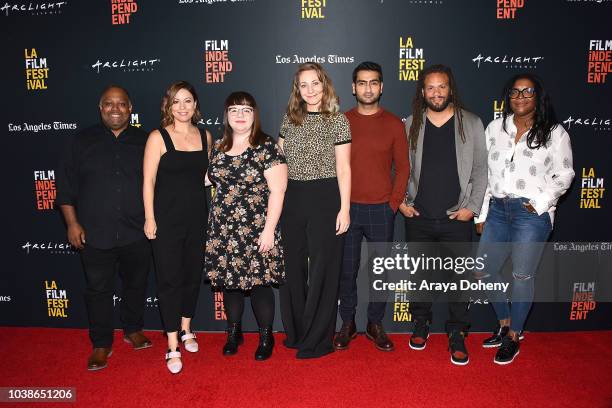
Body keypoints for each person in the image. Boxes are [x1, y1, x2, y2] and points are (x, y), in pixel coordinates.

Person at [474, 73, 574, 365]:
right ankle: (505, 322)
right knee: (484, 270)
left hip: (531, 214)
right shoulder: (495, 128)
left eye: (527, 91)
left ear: (538, 96)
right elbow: (484, 173)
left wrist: (541, 203)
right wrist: (481, 212)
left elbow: (565, 173)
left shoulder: (555, 133)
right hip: (497, 209)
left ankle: (515, 336)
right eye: (515, 92)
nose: (520, 97)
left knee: (521, 276)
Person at [56, 85, 153, 371]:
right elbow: (65, 187)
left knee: (136, 284)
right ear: (100, 108)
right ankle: (101, 343)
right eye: (109, 104)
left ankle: (133, 329)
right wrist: (72, 223)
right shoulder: (81, 141)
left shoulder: (145, 140)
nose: (115, 108)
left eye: (121, 104)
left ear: (130, 108)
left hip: (137, 230)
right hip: (94, 232)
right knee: (98, 289)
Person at [399, 64, 487, 365]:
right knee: (419, 276)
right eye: (430, 87)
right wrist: (400, 202)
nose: (436, 92)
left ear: (451, 89)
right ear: (422, 92)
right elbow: (397, 168)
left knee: (460, 280)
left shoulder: (472, 123)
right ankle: (421, 322)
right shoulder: (411, 123)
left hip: (456, 218)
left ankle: (457, 332)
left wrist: (472, 209)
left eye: (442, 86)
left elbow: (480, 170)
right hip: (419, 217)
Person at [206, 92, 287, 361]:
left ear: (255, 114)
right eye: (234, 110)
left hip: (256, 228)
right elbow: (207, 179)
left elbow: (278, 191)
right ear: (226, 115)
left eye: (246, 110)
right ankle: (234, 332)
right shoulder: (218, 146)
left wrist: (268, 230)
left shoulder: (267, 146)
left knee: (260, 284)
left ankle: (266, 336)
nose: (240, 115)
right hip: (224, 230)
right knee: (231, 285)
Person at [334, 61, 410, 352]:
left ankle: (375, 323)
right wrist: (339, 205)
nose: (368, 88)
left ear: (382, 86)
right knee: (346, 271)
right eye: (362, 83)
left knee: (381, 271)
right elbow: (333, 166)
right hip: (347, 208)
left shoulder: (393, 124)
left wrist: (393, 204)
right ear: (353, 88)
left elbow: (403, 168)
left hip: (381, 209)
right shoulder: (341, 121)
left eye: (373, 82)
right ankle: (347, 324)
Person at [278, 62, 351, 359]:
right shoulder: (289, 118)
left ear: (325, 85)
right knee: (291, 268)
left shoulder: (338, 120)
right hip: (293, 197)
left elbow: (344, 168)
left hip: (325, 197)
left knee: (324, 270)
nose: (310, 90)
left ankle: (318, 340)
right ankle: (296, 334)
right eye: (303, 85)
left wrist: (344, 208)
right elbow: (277, 157)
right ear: (297, 89)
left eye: (315, 83)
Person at [143, 81, 211, 374]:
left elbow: (210, 180)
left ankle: (186, 329)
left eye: (188, 101)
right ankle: (172, 345)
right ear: (168, 106)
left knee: (192, 276)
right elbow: (148, 182)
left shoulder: (206, 136)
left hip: (198, 218)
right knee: (169, 280)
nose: (182, 107)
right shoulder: (158, 137)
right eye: (176, 102)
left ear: (196, 104)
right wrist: (150, 218)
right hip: (166, 221)